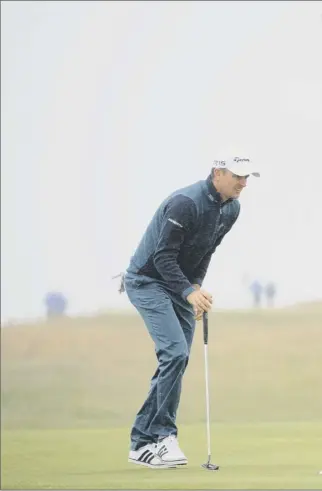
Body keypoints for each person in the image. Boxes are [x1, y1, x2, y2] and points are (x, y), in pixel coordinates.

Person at [122, 156, 260, 468]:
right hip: (147, 281)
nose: (243, 183)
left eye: (247, 177)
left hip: (181, 285)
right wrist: (189, 292)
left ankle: (148, 440)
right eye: (237, 176)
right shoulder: (185, 203)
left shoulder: (231, 208)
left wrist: (195, 286)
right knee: (175, 353)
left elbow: (205, 251)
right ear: (217, 173)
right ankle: (157, 438)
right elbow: (162, 257)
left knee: (177, 357)